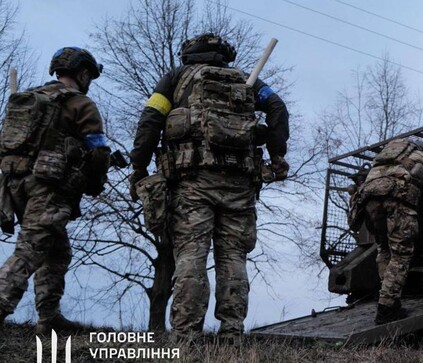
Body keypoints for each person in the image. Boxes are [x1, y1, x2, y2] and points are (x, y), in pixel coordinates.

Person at [129, 33, 289, 341]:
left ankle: (186, 333)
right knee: (233, 257)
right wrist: (276, 152)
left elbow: (150, 120)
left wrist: (139, 166)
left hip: (192, 182)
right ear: (224, 56)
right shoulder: (246, 80)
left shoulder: (175, 78)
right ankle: (231, 332)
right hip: (240, 185)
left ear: (189, 54)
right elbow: (278, 108)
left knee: (191, 255)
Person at [0, 47, 110, 333]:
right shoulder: (80, 104)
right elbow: (98, 151)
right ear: (83, 73)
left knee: (57, 251)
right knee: (32, 249)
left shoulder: (29, 98)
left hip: (15, 185)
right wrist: (96, 183)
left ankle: (49, 316)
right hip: (49, 188)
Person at [348, 138, 423, 324]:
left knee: (384, 250)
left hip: (370, 206)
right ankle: (386, 308)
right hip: (398, 202)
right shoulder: (421, 156)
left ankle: (388, 299)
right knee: (400, 254)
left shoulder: (379, 161)